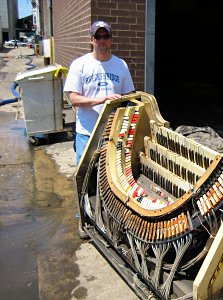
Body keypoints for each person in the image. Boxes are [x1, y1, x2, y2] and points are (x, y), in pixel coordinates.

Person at [64, 20, 135, 238]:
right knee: (84, 177)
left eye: (106, 37)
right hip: (88, 133)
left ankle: (106, 217)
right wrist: (101, 100)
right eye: (98, 37)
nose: (102, 41)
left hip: (113, 134)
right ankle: (83, 221)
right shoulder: (80, 65)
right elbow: (73, 98)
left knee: (110, 177)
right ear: (91, 40)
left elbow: (129, 96)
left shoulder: (120, 65)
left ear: (111, 39)